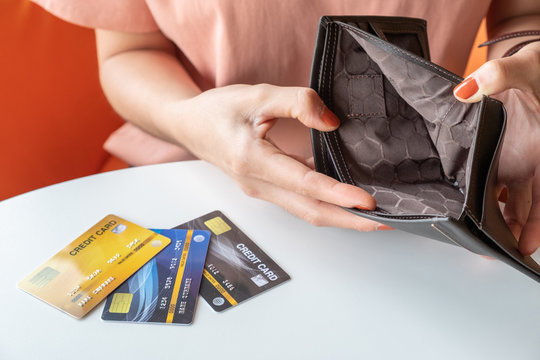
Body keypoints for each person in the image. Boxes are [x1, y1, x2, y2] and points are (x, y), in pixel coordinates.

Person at [32, 0, 540, 255]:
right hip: (199, 181)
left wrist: (520, 88)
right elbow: (130, 51)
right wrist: (189, 121)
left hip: (433, 205)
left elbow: (521, 11)